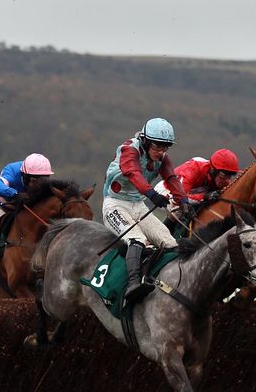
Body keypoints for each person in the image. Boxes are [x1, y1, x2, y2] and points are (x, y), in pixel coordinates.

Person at [102, 117, 189, 301]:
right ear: (145, 140)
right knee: (138, 239)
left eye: (166, 147)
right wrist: (152, 194)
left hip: (138, 205)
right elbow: (133, 173)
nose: (162, 152)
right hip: (115, 204)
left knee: (170, 243)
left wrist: (184, 201)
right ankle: (133, 283)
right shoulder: (129, 149)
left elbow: (172, 179)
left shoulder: (162, 158)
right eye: (158, 146)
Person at [0, 153, 54, 276]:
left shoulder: (44, 185)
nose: (38, 185)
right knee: (0, 219)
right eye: (34, 180)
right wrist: (14, 194)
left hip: (21, 212)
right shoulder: (12, 171)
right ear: (24, 175)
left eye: (43, 180)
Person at [153, 148, 241, 218]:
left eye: (229, 176)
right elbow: (181, 198)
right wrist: (205, 197)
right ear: (213, 170)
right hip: (168, 191)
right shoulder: (193, 169)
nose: (225, 180)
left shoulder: (223, 179)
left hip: (193, 191)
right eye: (223, 175)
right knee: (180, 209)